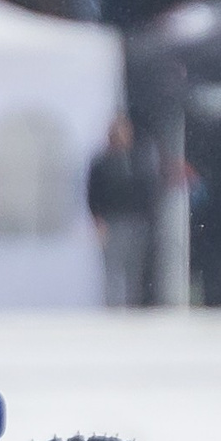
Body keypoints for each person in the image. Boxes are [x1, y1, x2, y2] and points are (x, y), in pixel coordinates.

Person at [85, 116, 159, 308]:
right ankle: (112, 308)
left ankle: (132, 307)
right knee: (113, 268)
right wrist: (98, 220)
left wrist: (147, 217)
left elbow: (147, 191)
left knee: (134, 268)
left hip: (136, 221)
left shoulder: (138, 161)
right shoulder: (101, 162)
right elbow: (93, 193)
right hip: (112, 222)